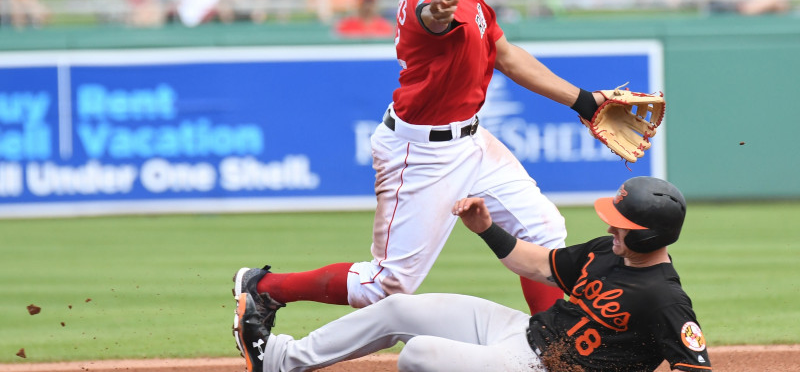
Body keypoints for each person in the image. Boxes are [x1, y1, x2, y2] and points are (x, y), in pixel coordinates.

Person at [232, 0, 620, 359]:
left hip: (472, 139)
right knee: (386, 285)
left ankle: (550, 354)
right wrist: (437, 9)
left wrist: (584, 101)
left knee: (543, 230)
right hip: (423, 151)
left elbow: (506, 56)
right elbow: (430, 17)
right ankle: (265, 289)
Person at [233, 176, 713, 371]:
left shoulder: (664, 298)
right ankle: (278, 359)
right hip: (524, 335)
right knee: (397, 308)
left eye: (623, 223)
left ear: (650, 236)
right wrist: (487, 228)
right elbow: (539, 265)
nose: (611, 224)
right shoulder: (607, 253)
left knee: (419, 355)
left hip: (543, 368)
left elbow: (695, 365)